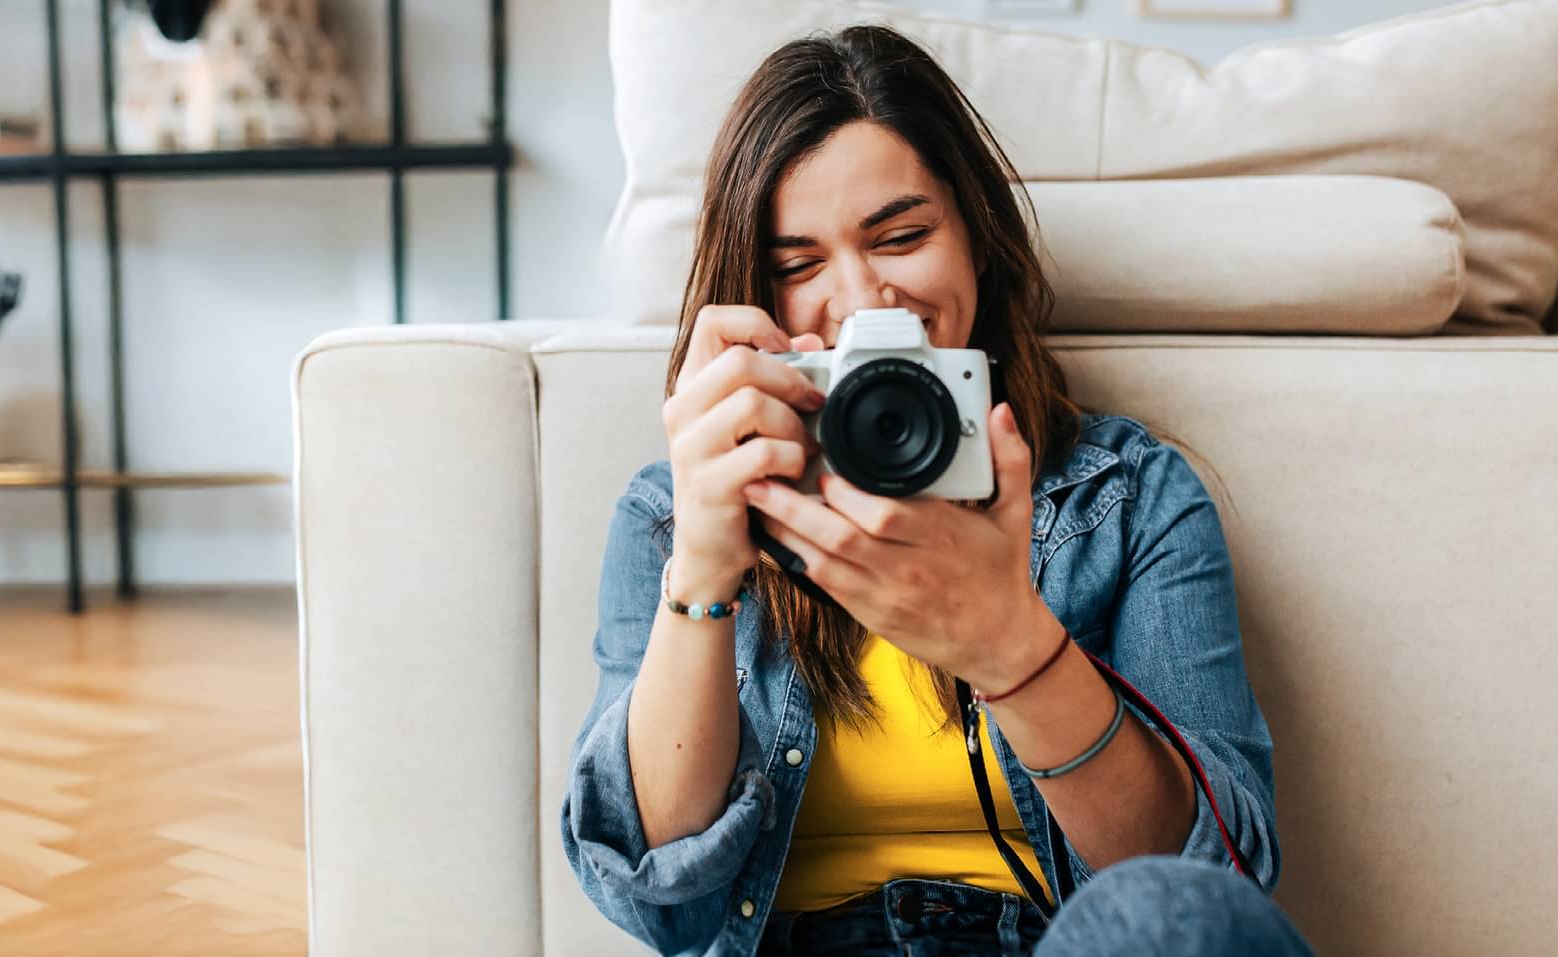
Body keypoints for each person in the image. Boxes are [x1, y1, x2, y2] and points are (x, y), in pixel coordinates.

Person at [563, 24, 1314, 957]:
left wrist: (1012, 647)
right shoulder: (673, 515)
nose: (862, 300)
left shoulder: (1127, 499)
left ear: (977, 240)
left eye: (902, 236)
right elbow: (657, 907)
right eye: (798, 265)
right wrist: (706, 568)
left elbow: (1212, 891)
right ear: (753, 292)